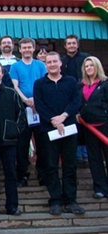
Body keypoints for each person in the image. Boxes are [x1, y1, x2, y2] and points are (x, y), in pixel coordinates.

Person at [34, 51, 84, 215]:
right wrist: (53, 121)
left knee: (70, 165)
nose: (52, 64)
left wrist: (63, 117)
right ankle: (55, 200)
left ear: (60, 63)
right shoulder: (39, 83)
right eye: (49, 62)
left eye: (55, 61)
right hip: (48, 130)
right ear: (45, 65)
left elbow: (76, 101)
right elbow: (40, 106)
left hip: (68, 128)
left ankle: (71, 200)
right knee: (51, 165)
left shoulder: (71, 81)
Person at [0, 61, 25, 216]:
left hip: (9, 142)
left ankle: (12, 205)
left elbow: (21, 115)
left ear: (2, 74)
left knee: (11, 175)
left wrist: (14, 131)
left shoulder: (12, 93)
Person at [10, 37, 47, 187]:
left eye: (29, 47)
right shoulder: (15, 66)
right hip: (23, 109)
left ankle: (43, 174)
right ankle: (22, 175)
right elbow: (15, 86)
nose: (26, 50)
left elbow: (45, 83)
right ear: (19, 49)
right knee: (22, 145)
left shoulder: (40, 65)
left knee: (43, 144)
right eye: (23, 47)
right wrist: (26, 100)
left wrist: (36, 101)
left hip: (39, 109)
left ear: (33, 48)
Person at [79, 56, 108, 199]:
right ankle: (100, 188)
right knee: (94, 158)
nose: (89, 68)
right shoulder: (81, 85)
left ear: (97, 66)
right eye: (86, 66)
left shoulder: (105, 84)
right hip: (88, 127)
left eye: (91, 65)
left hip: (104, 126)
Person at [61, 34, 90, 165]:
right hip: (68, 98)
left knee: (86, 125)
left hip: (86, 95)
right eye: (69, 43)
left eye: (74, 43)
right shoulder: (62, 61)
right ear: (65, 46)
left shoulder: (86, 58)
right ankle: (77, 154)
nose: (72, 45)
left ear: (77, 44)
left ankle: (86, 153)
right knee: (73, 125)